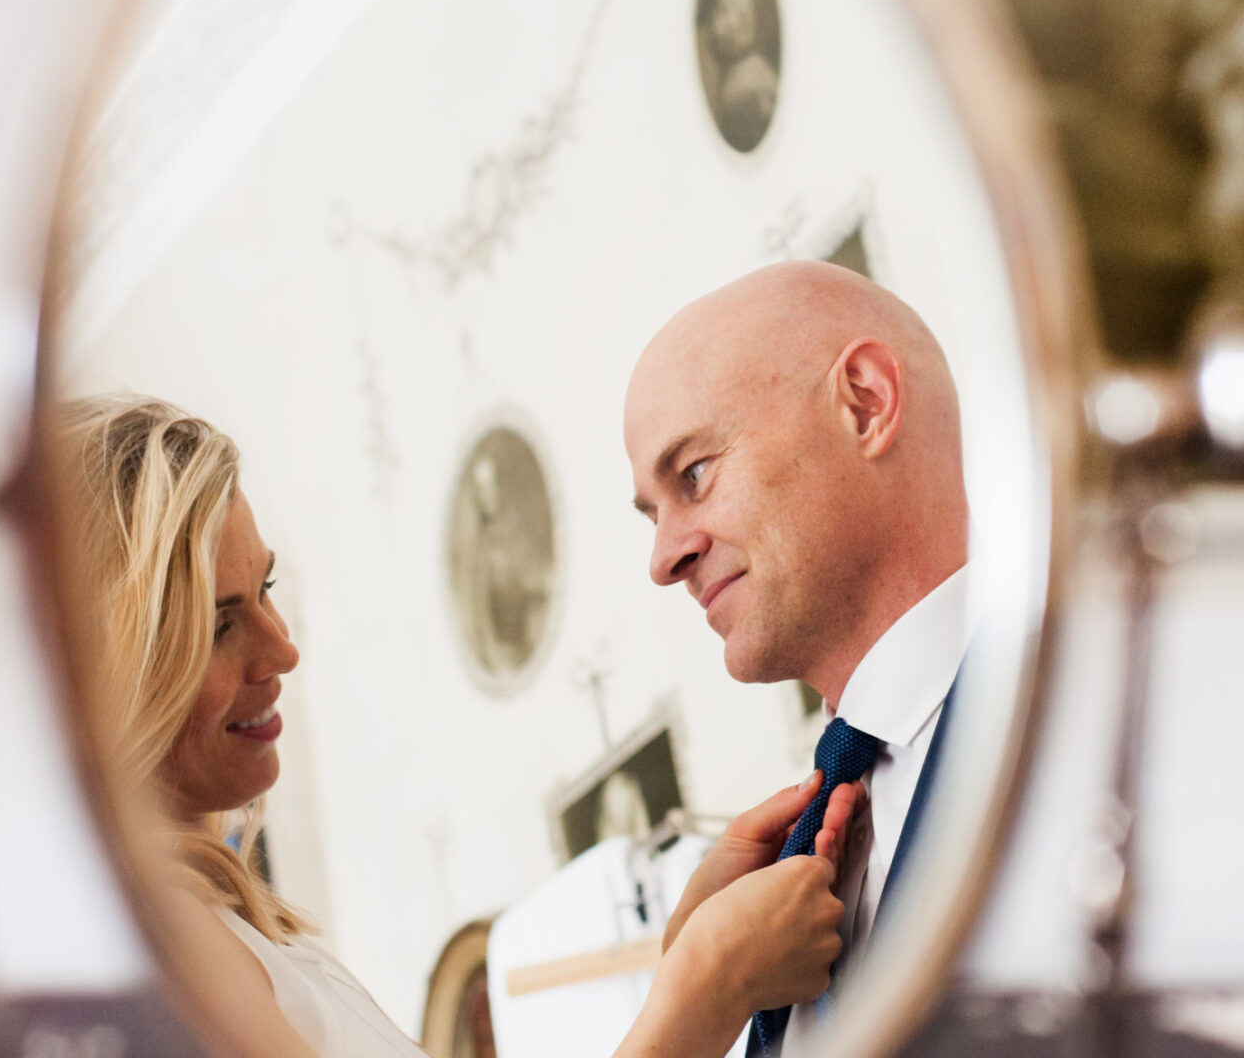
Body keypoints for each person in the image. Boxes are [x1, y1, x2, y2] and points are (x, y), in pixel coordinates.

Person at [62, 394, 863, 1058]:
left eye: (266, 588)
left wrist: (684, 958)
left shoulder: (237, 936)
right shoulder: (153, 973)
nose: (283, 650)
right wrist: (705, 989)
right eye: (216, 626)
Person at [623, 261, 971, 1056]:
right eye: (651, 513)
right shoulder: (767, 899)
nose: (663, 559)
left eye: (695, 474)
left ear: (865, 405)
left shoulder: (1088, 701)